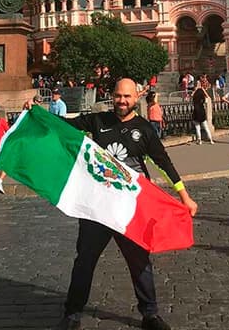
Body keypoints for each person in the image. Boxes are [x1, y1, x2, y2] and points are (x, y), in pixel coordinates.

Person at [49, 79, 196, 330]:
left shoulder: (145, 130)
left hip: (131, 210)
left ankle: (150, 315)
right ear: (112, 96)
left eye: (127, 97)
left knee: (139, 263)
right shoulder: (98, 121)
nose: (122, 101)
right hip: (98, 207)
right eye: (118, 96)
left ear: (136, 96)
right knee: (84, 260)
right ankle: (72, 314)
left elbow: (164, 162)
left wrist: (184, 196)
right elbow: (66, 126)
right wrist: (37, 114)